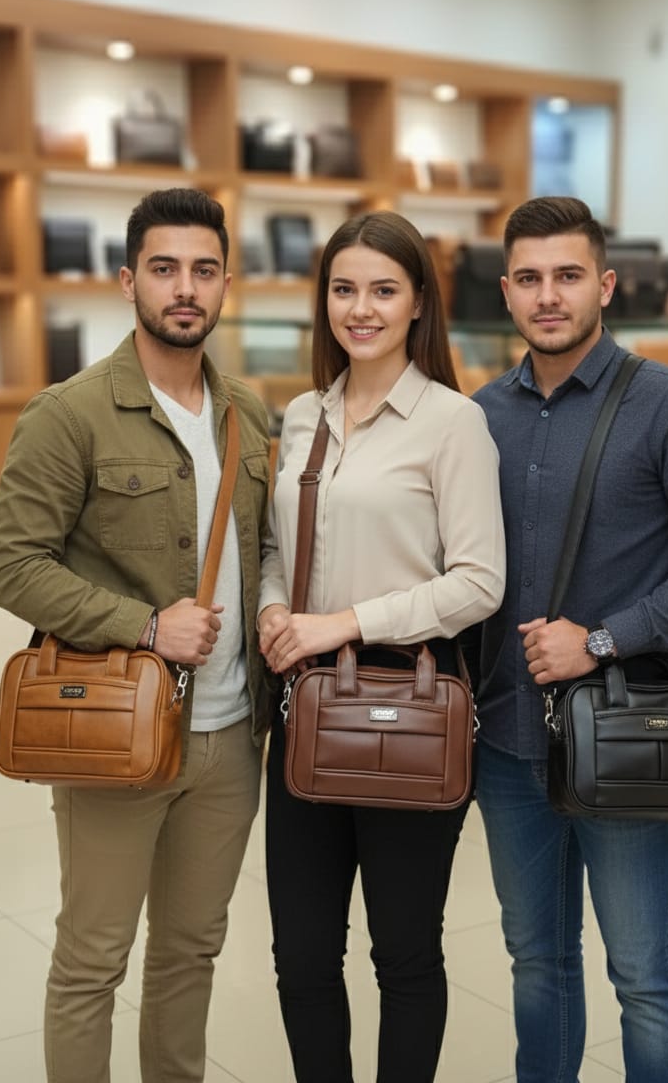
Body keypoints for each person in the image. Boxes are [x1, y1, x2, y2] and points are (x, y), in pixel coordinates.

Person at [465, 195, 668, 1083]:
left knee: (644, 973)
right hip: (506, 738)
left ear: (605, 283)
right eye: (528, 278)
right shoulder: (477, 415)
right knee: (536, 961)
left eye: (566, 275)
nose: (547, 296)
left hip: (630, 737)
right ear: (508, 294)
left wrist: (598, 640)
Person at [0, 187, 274, 1083]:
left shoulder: (250, 414)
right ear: (127, 281)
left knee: (191, 953)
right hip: (117, 736)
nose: (184, 288)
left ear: (226, 283)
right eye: (163, 269)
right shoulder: (69, 414)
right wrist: (146, 626)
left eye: (202, 269)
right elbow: (10, 564)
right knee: (92, 960)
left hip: (231, 740)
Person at [257, 209, 506, 1083]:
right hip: (305, 709)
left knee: (403, 956)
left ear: (417, 306)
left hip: (408, 708)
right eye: (344, 288)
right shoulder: (299, 417)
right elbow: (274, 549)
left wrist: (345, 622)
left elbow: (480, 582)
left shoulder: (451, 423)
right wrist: (273, 608)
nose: (360, 308)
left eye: (382, 290)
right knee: (302, 957)